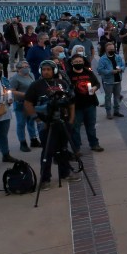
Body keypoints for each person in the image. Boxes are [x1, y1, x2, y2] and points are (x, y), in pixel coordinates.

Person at [23, 60, 82, 190]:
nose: (46, 72)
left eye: (49, 69)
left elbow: (71, 102)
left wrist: (71, 119)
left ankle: (65, 173)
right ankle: (45, 179)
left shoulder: (61, 83)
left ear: (54, 70)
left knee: (63, 149)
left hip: (63, 121)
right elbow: (27, 103)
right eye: (43, 70)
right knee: (47, 152)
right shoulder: (36, 85)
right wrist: (37, 119)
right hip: (46, 124)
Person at [67, 53, 103, 153]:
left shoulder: (88, 72)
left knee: (91, 126)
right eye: (76, 62)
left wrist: (94, 88)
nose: (78, 63)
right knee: (76, 128)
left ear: (83, 62)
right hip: (76, 105)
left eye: (80, 61)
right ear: (72, 63)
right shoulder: (68, 74)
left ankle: (94, 144)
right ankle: (76, 148)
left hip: (90, 103)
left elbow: (97, 83)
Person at [10, 61, 40, 152]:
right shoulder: (15, 78)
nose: (26, 68)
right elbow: (12, 91)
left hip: (30, 102)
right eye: (24, 67)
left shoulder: (31, 75)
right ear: (18, 69)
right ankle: (22, 142)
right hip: (20, 103)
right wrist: (25, 94)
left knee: (31, 121)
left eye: (27, 66)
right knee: (21, 123)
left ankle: (33, 139)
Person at [96, 42, 125, 119]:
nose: (112, 50)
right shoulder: (102, 59)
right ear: (106, 50)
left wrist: (121, 69)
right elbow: (100, 70)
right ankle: (108, 112)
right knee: (108, 97)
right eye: (110, 49)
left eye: (113, 49)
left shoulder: (118, 57)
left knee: (117, 96)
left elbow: (123, 65)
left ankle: (116, 111)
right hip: (108, 81)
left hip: (118, 80)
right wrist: (110, 71)